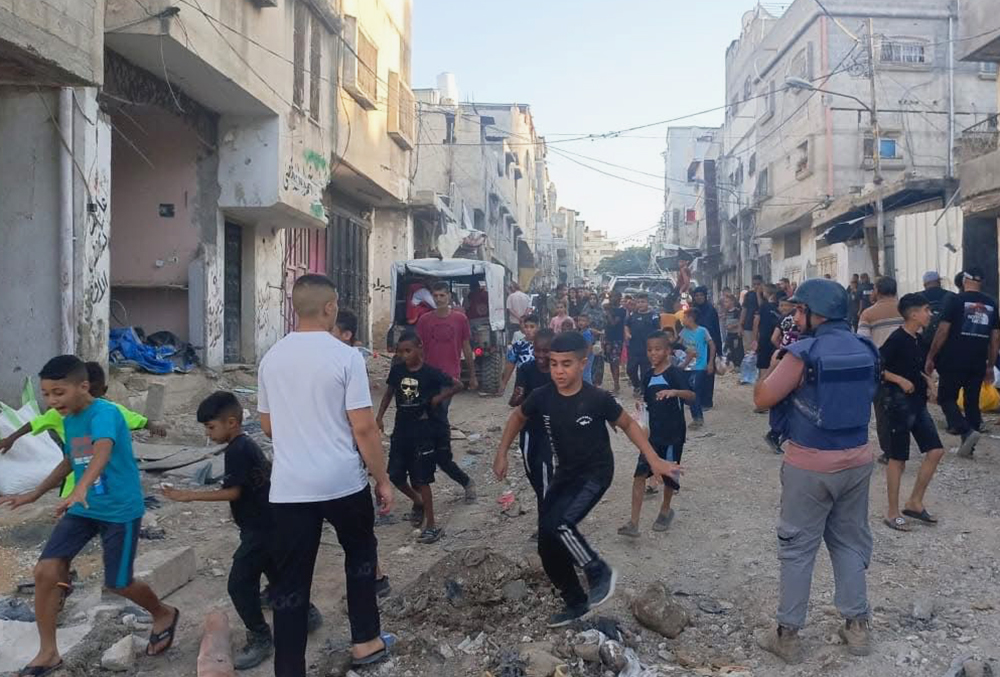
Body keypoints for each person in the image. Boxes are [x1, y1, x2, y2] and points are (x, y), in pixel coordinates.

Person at [0, 355, 180, 676]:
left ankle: (163, 612)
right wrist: (34, 494)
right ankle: (48, 652)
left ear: (83, 386)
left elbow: (102, 450)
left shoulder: (106, 414)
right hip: (84, 508)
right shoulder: (68, 419)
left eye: (59, 393)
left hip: (119, 511)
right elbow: (71, 459)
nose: (52, 401)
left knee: (119, 582)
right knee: (45, 570)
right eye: (46, 393)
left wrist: (80, 487)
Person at [492, 332, 681, 627]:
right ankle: (576, 601)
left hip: (596, 473)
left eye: (566, 364)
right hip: (565, 473)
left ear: (583, 363)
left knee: (562, 524)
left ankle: (598, 572)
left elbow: (629, 424)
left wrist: (654, 459)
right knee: (546, 542)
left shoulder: (597, 398)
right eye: (554, 364)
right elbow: (518, 417)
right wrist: (502, 452)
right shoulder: (542, 396)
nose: (558, 371)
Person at [257, 274, 395, 674]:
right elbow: (364, 428)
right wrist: (382, 478)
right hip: (341, 482)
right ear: (331, 308)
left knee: (291, 579)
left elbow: (268, 427)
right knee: (360, 557)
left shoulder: (272, 359)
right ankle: (366, 642)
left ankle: (289, 667)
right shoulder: (345, 356)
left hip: (290, 489)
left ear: (294, 308)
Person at [753, 278, 879, 664]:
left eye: (798, 310)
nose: (794, 316)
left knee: (797, 548)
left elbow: (762, 399)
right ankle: (856, 628)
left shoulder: (802, 352)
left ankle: (787, 636)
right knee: (849, 542)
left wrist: (773, 365)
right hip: (857, 460)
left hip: (809, 464)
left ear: (812, 313)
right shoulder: (865, 348)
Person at [162, 392, 325, 670]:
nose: (208, 434)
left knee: (238, 585)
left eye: (211, 427)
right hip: (272, 522)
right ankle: (305, 613)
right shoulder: (247, 445)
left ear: (232, 422)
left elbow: (234, 492)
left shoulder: (237, 450)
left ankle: (261, 637)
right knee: (276, 572)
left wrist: (188, 496)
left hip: (260, 529)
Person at [0, 362, 166, 498]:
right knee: (72, 514)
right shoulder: (61, 414)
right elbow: (34, 424)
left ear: (103, 391)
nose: (88, 401)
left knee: (102, 506)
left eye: (93, 394)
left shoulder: (111, 411)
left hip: (107, 478)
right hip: (75, 478)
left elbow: (137, 420)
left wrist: (152, 425)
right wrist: (11, 438)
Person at [376, 332, 463, 544]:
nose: (404, 355)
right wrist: (379, 417)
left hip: (423, 430)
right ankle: (418, 502)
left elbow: (458, 385)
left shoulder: (430, 373)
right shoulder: (397, 371)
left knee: (422, 478)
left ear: (419, 348)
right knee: (395, 474)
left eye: (408, 350)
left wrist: (438, 399)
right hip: (401, 429)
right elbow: (389, 393)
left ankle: (432, 525)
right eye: (400, 351)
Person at [878, 294, 946, 532]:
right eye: (927, 310)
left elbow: (916, 368)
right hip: (896, 405)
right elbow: (877, 367)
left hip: (917, 404)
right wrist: (898, 379)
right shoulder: (896, 339)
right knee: (898, 459)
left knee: (936, 451)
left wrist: (929, 382)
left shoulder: (919, 339)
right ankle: (892, 512)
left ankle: (914, 502)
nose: (930, 314)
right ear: (913, 314)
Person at [618, 331, 695, 538]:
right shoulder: (648, 375)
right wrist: (640, 407)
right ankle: (633, 523)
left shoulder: (674, 374)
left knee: (670, 473)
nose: (653, 353)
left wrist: (674, 392)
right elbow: (648, 401)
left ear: (668, 351)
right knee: (639, 475)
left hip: (673, 433)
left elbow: (691, 396)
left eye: (658, 349)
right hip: (653, 436)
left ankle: (665, 510)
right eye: (650, 350)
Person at [925, 266, 1000, 458]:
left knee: (945, 398)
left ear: (964, 280)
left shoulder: (955, 300)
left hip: (953, 359)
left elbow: (942, 331)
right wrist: (990, 366)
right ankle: (969, 448)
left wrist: (931, 356)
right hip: (977, 361)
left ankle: (965, 430)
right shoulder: (992, 303)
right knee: (971, 402)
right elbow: (995, 339)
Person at [416, 282, 478, 500]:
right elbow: (420, 349)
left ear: (449, 296)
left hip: (450, 378)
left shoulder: (460, 319)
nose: (439, 298)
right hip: (428, 377)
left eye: (442, 294)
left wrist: (472, 375)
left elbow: (466, 347)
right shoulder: (424, 321)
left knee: (438, 414)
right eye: (436, 295)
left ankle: (440, 454)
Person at [508, 329, 555, 536]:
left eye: (546, 351)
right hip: (528, 431)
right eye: (537, 350)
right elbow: (516, 399)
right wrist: (518, 396)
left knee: (546, 479)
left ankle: (548, 526)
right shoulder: (526, 369)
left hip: (551, 433)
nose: (541, 356)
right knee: (535, 477)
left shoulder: (559, 371)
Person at [679, 309, 714, 429]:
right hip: (686, 367)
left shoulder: (703, 331)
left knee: (694, 392)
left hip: (699, 367)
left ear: (691, 318)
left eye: (685, 317)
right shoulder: (684, 332)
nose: (683, 320)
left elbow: (712, 346)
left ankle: (698, 418)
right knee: (688, 393)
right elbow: (678, 345)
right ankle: (696, 416)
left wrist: (710, 363)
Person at [692, 287, 722, 409]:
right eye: (696, 295)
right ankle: (696, 399)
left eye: (701, 295)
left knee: (708, 373)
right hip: (696, 345)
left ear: (705, 296)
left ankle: (707, 402)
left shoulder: (711, 310)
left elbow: (716, 330)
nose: (698, 297)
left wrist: (718, 350)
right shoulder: (693, 310)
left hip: (709, 345)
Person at [625, 293, 660, 397]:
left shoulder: (653, 315)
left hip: (648, 349)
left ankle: (644, 390)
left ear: (647, 303)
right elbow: (626, 325)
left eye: (643, 302)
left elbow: (659, 329)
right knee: (630, 369)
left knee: (646, 372)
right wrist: (627, 333)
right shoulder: (632, 315)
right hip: (634, 348)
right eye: (639, 302)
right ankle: (637, 385)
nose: (641, 304)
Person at [857, 276, 902, 348]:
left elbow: (863, 341)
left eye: (874, 289)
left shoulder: (867, 314)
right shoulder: (906, 310)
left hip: (880, 356)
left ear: (877, 291)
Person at [501, 314, 539, 393]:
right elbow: (510, 365)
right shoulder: (518, 345)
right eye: (526, 327)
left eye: (532, 327)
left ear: (537, 327)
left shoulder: (542, 344)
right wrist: (504, 383)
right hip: (522, 382)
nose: (528, 330)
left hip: (539, 381)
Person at [919, 271, 954, 351]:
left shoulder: (917, 297)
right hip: (946, 343)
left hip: (924, 343)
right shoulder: (952, 297)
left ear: (924, 284)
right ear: (939, 282)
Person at [754, 285, 782, 374]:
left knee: (763, 366)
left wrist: (755, 339)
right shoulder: (780, 307)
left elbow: (756, 322)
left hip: (764, 339)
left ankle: (762, 384)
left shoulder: (764, 306)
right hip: (777, 339)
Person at [741, 275, 764, 353]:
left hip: (761, 327)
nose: (756, 286)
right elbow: (744, 310)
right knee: (748, 350)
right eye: (754, 284)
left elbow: (761, 307)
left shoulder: (765, 295)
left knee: (759, 350)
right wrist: (741, 325)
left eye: (758, 284)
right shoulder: (748, 295)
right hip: (748, 325)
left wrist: (758, 294)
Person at [722, 294, 744, 367]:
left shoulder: (737, 311)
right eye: (724, 302)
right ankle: (730, 362)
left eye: (727, 302)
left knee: (737, 349)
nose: (725, 304)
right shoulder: (726, 312)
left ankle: (737, 364)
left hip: (736, 334)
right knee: (728, 348)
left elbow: (741, 321)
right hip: (729, 333)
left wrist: (733, 325)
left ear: (732, 302)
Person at [576, 312, 595, 384]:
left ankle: (589, 387)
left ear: (587, 322)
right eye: (579, 320)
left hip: (587, 355)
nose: (581, 322)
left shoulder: (586, 333)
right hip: (583, 355)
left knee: (586, 373)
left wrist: (586, 357)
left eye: (583, 321)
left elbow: (589, 346)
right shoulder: (581, 332)